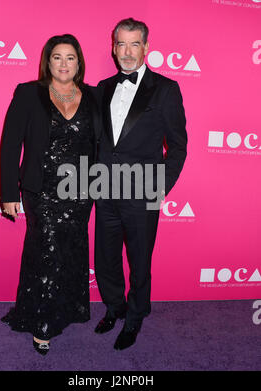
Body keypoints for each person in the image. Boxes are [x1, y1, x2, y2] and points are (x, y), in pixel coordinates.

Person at [0, 34, 100, 355]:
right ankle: (42, 321)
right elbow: (10, 145)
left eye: (70, 57)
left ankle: (68, 308)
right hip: (40, 188)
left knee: (71, 248)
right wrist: (7, 192)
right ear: (48, 61)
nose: (64, 64)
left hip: (82, 189)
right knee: (47, 247)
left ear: (79, 62)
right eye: (57, 57)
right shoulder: (29, 93)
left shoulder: (95, 96)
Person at [94, 18, 188, 350]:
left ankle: (134, 317)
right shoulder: (103, 87)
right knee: (105, 259)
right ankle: (114, 307)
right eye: (121, 44)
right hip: (104, 190)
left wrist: (158, 187)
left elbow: (177, 146)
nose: (127, 51)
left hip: (141, 193)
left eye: (135, 44)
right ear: (113, 47)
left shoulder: (165, 89)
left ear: (146, 47)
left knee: (139, 261)